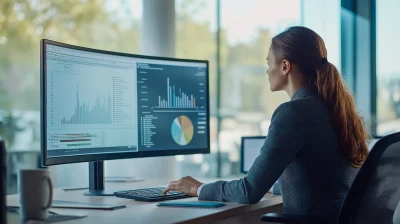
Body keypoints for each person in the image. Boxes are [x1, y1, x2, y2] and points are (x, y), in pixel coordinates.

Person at [163, 26, 369, 221]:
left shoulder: (293, 113)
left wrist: (198, 188)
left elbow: (248, 191)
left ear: (285, 66)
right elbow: (324, 180)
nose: (267, 70)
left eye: (269, 63)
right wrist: (270, 184)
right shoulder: (335, 108)